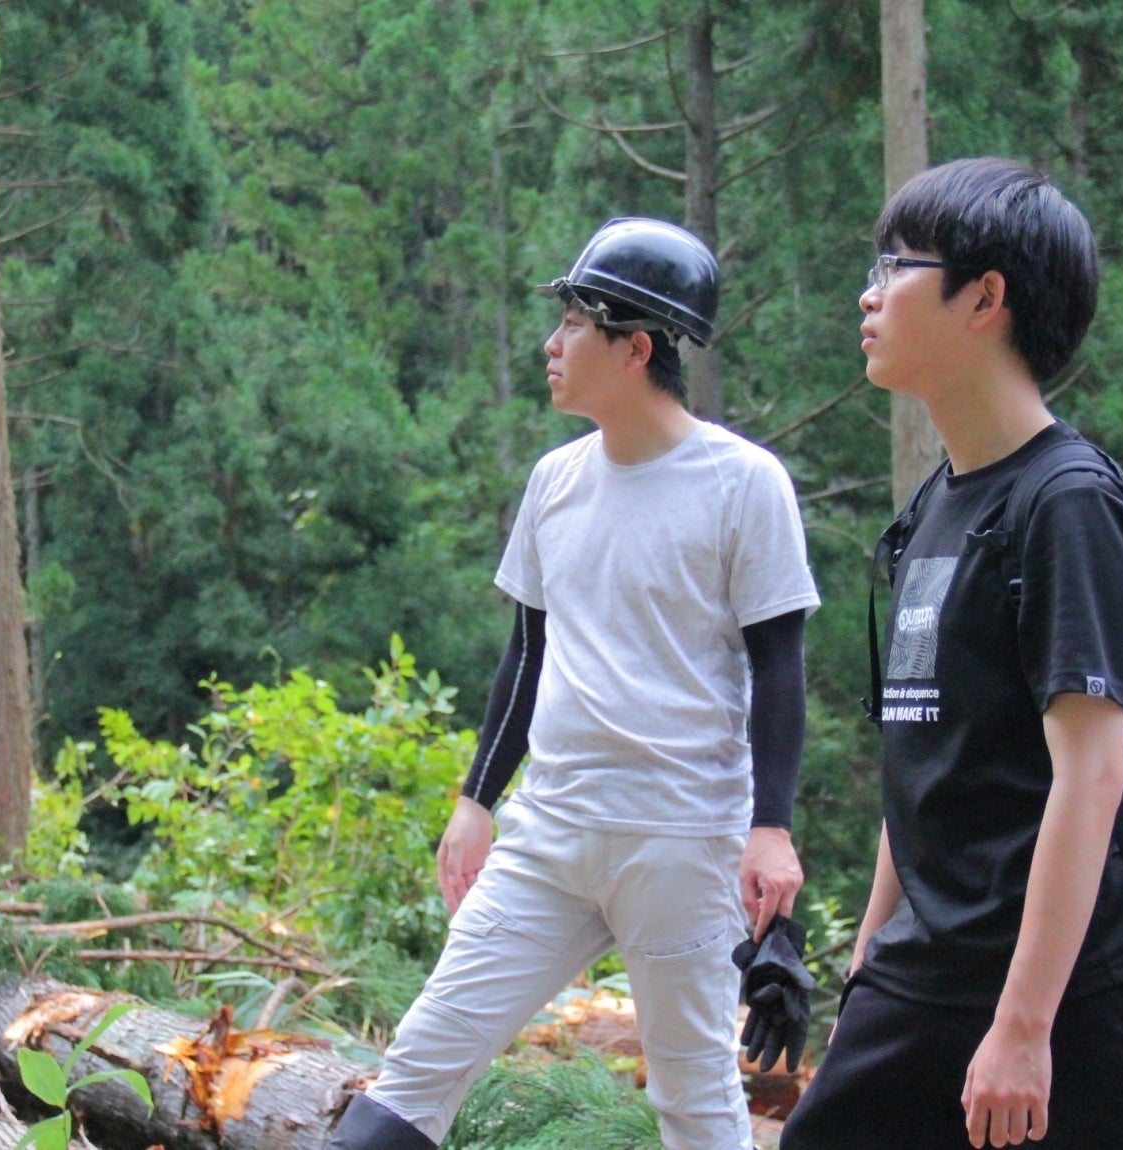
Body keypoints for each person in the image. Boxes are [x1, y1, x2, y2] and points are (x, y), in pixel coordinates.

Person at [325, 217, 822, 1150]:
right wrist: (476, 800)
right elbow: (527, 653)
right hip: (548, 837)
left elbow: (778, 668)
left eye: (574, 324)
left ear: (637, 348)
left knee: (696, 1106)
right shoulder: (555, 480)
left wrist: (772, 828)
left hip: (681, 844)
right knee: (415, 1074)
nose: (552, 345)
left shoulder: (743, 483)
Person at [779, 158, 1123, 1150]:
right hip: (921, 974)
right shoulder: (938, 504)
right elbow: (921, 753)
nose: (868, 294)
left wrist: (1025, 1025)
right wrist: (870, 952)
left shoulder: (1068, 505)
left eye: (895, 266)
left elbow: (1091, 776)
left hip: (1062, 999)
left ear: (985, 298)